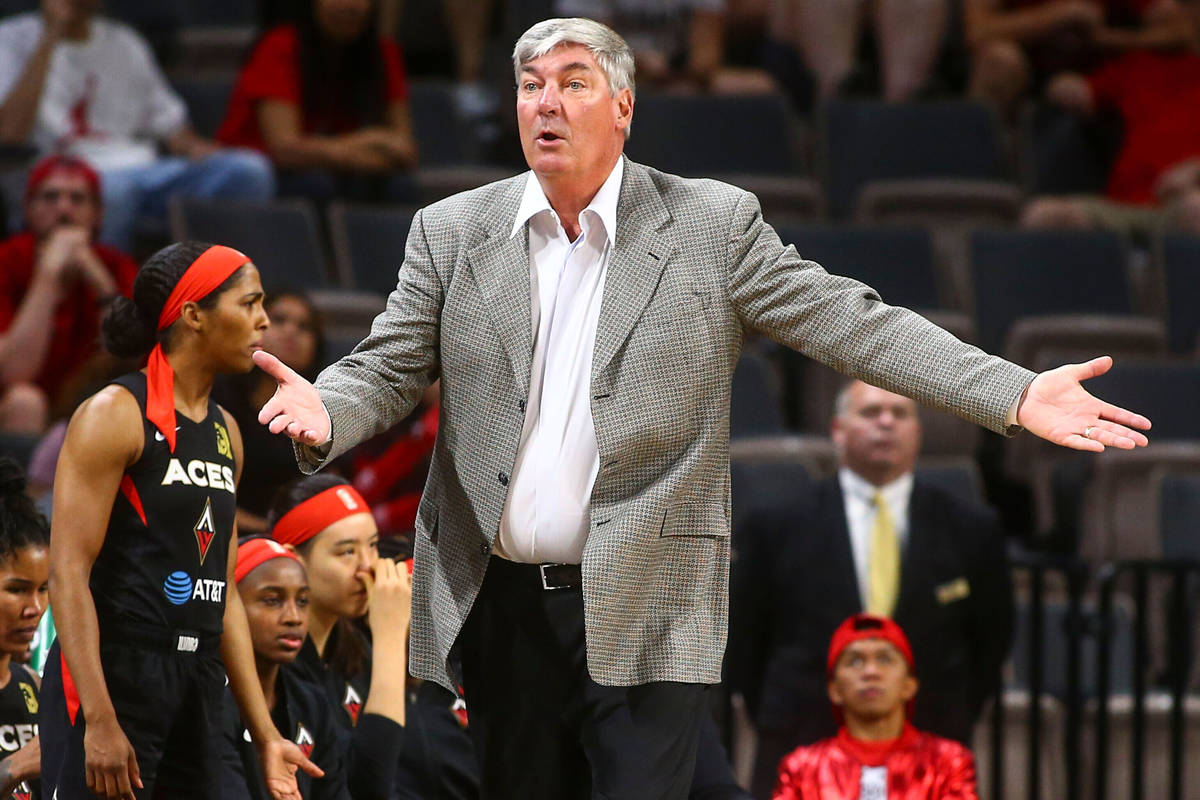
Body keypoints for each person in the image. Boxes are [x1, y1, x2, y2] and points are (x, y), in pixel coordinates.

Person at [252, 16, 1150, 798]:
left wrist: (1015, 390)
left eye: (573, 83)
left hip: (647, 593)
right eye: (530, 87)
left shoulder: (710, 227)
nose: (546, 105)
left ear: (624, 107)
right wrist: (331, 410)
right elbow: (388, 364)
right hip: (500, 604)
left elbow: (855, 324)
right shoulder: (452, 231)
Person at [39, 242, 318, 800]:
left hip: (197, 681)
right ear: (193, 315)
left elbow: (227, 594)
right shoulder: (114, 413)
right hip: (114, 671)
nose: (263, 319)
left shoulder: (227, 432)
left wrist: (264, 733)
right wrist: (98, 718)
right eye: (250, 303)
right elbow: (68, 572)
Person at [730, 380, 1013, 796]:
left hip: (931, 745)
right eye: (870, 412)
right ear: (837, 430)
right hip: (800, 739)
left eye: (900, 414)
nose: (886, 422)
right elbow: (746, 639)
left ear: (918, 431)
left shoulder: (971, 527)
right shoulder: (778, 525)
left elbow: (992, 639)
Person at [0, 0, 275, 250]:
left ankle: (223, 287)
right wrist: (51, 36)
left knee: (249, 171)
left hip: (143, 168)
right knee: (112, 193)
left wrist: (202, 151)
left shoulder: (125, 41)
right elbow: (9, 133)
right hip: (64, 171)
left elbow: (172, 128)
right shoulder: (10, 37)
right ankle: (111, 298)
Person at [267, 474, 410, 800]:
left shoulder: (351, 649)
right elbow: (368, 788)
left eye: (373, 546)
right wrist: (390, 636)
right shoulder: (272, 659)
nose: (368, 567)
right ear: (293, 559)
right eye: (347, 552)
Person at [1020, 0, 1200, 234]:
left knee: (1195, 209)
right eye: (1188, 5)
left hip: (1186, 203)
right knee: (1043, 214)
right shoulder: (1144, 64)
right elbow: (1076, 89)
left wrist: (1195, 170)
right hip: (1127, 204)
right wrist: (1063, 87)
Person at [217, 0, 417, 206]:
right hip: (265, 177)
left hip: (340, 171)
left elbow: (405, 150)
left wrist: (341, 155)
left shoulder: (384, 53)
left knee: (398, 187)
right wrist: (370, 138)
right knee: (315, 184)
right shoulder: (279, 45)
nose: (349, 5)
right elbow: (285, 149)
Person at [0, 155, 137, 435]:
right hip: (17, 408)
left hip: (84, 402)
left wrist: (100, 283)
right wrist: (49, 276)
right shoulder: (7, 260)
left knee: (116, 401)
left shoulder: (117, 266)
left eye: (77, 199)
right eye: (50, 197)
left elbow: (126, 361)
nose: (63, 208)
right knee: (26, 402)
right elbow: (14, 372)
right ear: (29, 209)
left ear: (97, 213)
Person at [773, 614, 977, 800]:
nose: (871, 672)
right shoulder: (802, 768)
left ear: (909, 685)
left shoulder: (949, 763)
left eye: (884, 659)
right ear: (834, 689)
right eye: (854, 661)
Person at [220, 538, 349, 800]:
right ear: (231, 607)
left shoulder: (312, 702)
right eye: (272, 600)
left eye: (302, 601)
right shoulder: (209, 701)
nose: (294, 617)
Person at [214, 291, 326, 536]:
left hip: (296, 540)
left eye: (304, 327)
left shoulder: (325, 407)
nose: (291, 331)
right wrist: (267, 532)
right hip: (220, 531)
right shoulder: (218, 397)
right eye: (279, 319)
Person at [966, 0, 1191, 118]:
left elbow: (1181, 31)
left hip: (1097, 73)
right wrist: (1056, 17)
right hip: (1027, 66)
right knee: (1001, 60)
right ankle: (979, 165)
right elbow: (976, 31)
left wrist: (1101, 39)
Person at [0, 458, 51, 800]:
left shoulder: (35, 686)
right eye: (17, 589)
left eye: (43, 589)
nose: (34, 608)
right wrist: (14, 766)